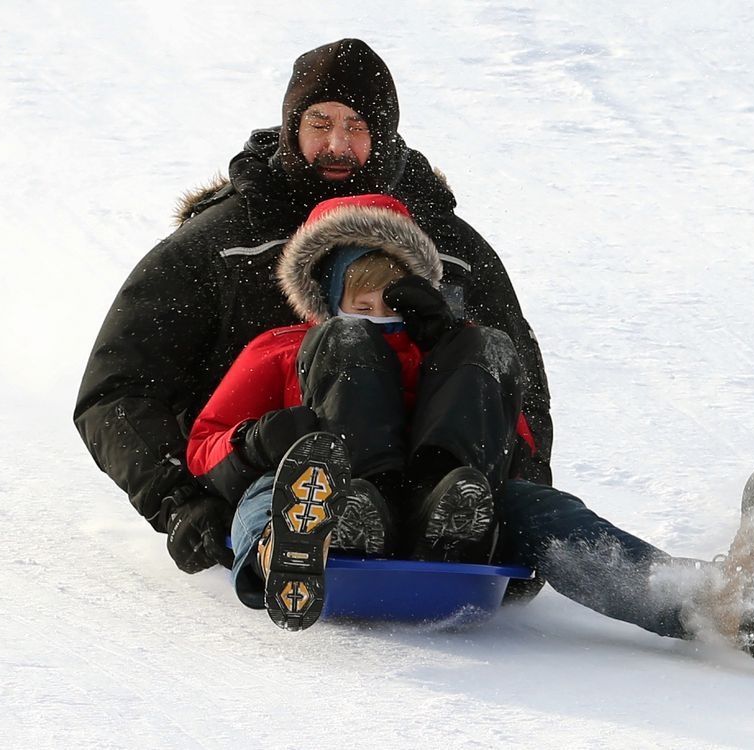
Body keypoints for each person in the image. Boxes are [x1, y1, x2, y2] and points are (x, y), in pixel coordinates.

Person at [73, 38, 552, 581]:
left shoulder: (449, 250)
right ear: (290, 128)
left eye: (357, 127)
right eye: (320, 123)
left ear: (386, 135)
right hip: (273, 477)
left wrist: (521, 484)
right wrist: (179, 500)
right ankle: (296, 544)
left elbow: (516, 381)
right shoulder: (225, 242)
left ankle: (655, 592)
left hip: (437, 490)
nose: (337, 145)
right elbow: (117, 388)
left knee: (547, 517)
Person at [185, 194, 537, 629]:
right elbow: (205, 445)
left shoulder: (449, 352)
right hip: (325, 495)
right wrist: (256, 442)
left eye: (391, 305)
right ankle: (285, 553)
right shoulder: (282, 347)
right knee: (269, 494)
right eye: (363, 306)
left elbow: (518, 445)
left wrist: (519, 493)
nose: (379, 317)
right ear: (329, 296)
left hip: (443, 500)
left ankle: (639, 584)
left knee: (540, 502)